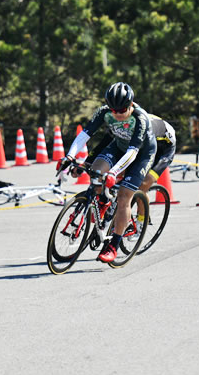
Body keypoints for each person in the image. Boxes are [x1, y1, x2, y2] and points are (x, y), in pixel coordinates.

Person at [59, 82, 156, 263]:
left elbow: (133, 153)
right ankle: (103, 201)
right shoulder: (104, 112)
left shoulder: (140, 118)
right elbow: (85, 134)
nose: (117, 114)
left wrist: (114, 172)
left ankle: (113, 245)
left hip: (140, 153)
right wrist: (70, 157)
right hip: (119, 146)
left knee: (124, 196)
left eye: (122, 110)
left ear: (131, 105)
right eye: (114, 110)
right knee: (95, 171)